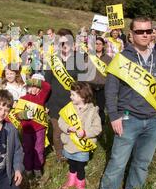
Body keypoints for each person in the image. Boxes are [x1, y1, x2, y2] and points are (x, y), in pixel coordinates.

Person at [99, 17, 156, 189]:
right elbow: (111, 89)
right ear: (131, 35)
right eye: (140, 31)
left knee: (142, 163)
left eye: (148, 31)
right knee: (117, 164)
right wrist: (114, 116)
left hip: (152, 122)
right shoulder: (122, 57)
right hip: (127, 118)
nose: (145, 35)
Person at [45, 28, 85, 161]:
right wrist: (44, 102)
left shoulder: (78, 61)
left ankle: (72, 153)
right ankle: (60, 155)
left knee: (71, 130)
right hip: (54, 102)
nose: (64, 45)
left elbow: (82, 83)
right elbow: (46, 83)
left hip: (72, 103)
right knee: (58, 132)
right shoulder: (52, 61)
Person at [59, 82, 102, 189]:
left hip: (83, 146)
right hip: (70, 144)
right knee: (71, 163)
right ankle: (71, 180)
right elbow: (61, 121)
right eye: (71, 94)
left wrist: (85, 133)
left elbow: (97, 128)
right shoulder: (68, 108)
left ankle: (80, 184)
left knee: (80, 166)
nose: (70, 97)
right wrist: (67, 128)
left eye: (73, 94)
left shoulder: (92, 111)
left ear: (82, 96)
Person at [15, 73, 51, 179]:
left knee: (39, 149)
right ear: (27, 87)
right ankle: (28, 168)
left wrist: (32, 81)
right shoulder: (23, 98)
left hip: (39, 129)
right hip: (27, 130)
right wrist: (25, 114)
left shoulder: (41, 97)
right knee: (28, 149)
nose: (34, 89)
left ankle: (37, 168)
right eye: (32, 86)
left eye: (37, 87)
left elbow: (47, 86)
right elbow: (17, 114)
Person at [83, 37, 112, 124]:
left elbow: (110, 75)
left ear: (103, 46)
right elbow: (85, 72)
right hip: (90, 87)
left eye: (100, 44)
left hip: (103, 87)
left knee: (101, 109)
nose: (98, 46)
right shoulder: (89, 57)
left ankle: (101, 130)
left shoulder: (108, 59)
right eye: (96, 44)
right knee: (89, 108)